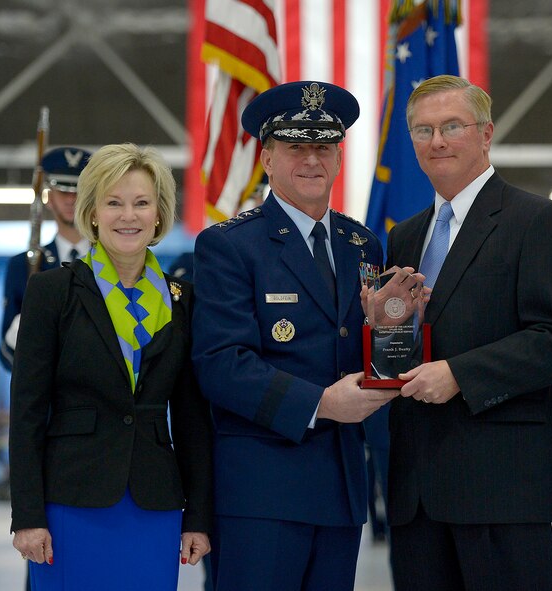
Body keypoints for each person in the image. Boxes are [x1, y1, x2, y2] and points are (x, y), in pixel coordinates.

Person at [383, 74, 552, 591]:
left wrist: (459, 374)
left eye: (452, 125)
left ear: (486, 133)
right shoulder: (404, 237)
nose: (437, 141)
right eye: (423, 130)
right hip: (416, 496)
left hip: (501, 491)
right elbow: (401, 345)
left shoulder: (537, 220)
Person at [191, 80, 397, 591]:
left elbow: (378, 363)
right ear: (266, 157)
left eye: (323, 147)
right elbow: (221, 363)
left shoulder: (362, 244)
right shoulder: (229, 246)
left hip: (342, 484)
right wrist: (322, 403)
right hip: (262, 489)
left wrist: (389, 331)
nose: (311, 160)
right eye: (295, 147)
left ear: (339, 158)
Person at [9, 143, 214, 590]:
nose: (129, 216)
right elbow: (26, 412)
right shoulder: (52, 292)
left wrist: (198, 515)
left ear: (159, 214)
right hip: (69, 503)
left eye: (142, 203)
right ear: (93, 213)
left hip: (155, 504)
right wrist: (27, 515)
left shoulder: (183, 301)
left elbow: (192, 418)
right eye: (114, 202)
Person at [0, 146, 93, 371]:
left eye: (78, 190)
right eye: (63, 190)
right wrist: (19, 333)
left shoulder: (110, 262)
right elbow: (4, 354)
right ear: (49, 197)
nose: (71, 199)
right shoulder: (23, 266)